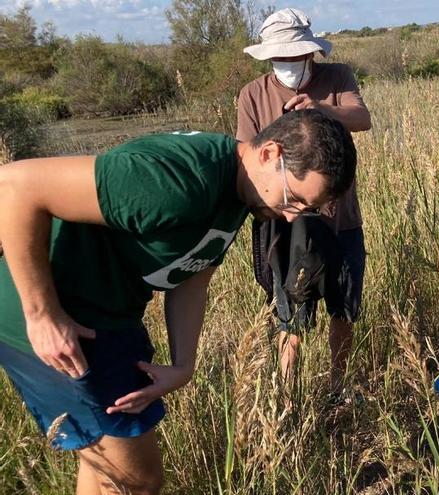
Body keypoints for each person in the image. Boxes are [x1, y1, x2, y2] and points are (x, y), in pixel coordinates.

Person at [0, 109, 356, 495]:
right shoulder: (174, 180)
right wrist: (41, 315)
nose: (290, 218)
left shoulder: (243, 192)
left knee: (108, 469)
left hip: (109, 317)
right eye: (294, 200)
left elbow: (194, 274)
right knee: (139, 481)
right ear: (270, 153)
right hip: (52, 316)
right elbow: (16, 185)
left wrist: (184, 364)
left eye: (306, 210)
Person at [237, 8, 371, 392]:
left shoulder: (336, 77)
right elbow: (245, 152)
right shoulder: (253, 94)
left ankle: (337, 386)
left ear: (311, 52)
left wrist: (321, 109)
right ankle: (286, 394)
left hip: (340, 216)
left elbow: (362, 116)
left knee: (344, 305)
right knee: (290, 314)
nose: (289, 63)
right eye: (281, 56)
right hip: (285, 221)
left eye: (296, 54)